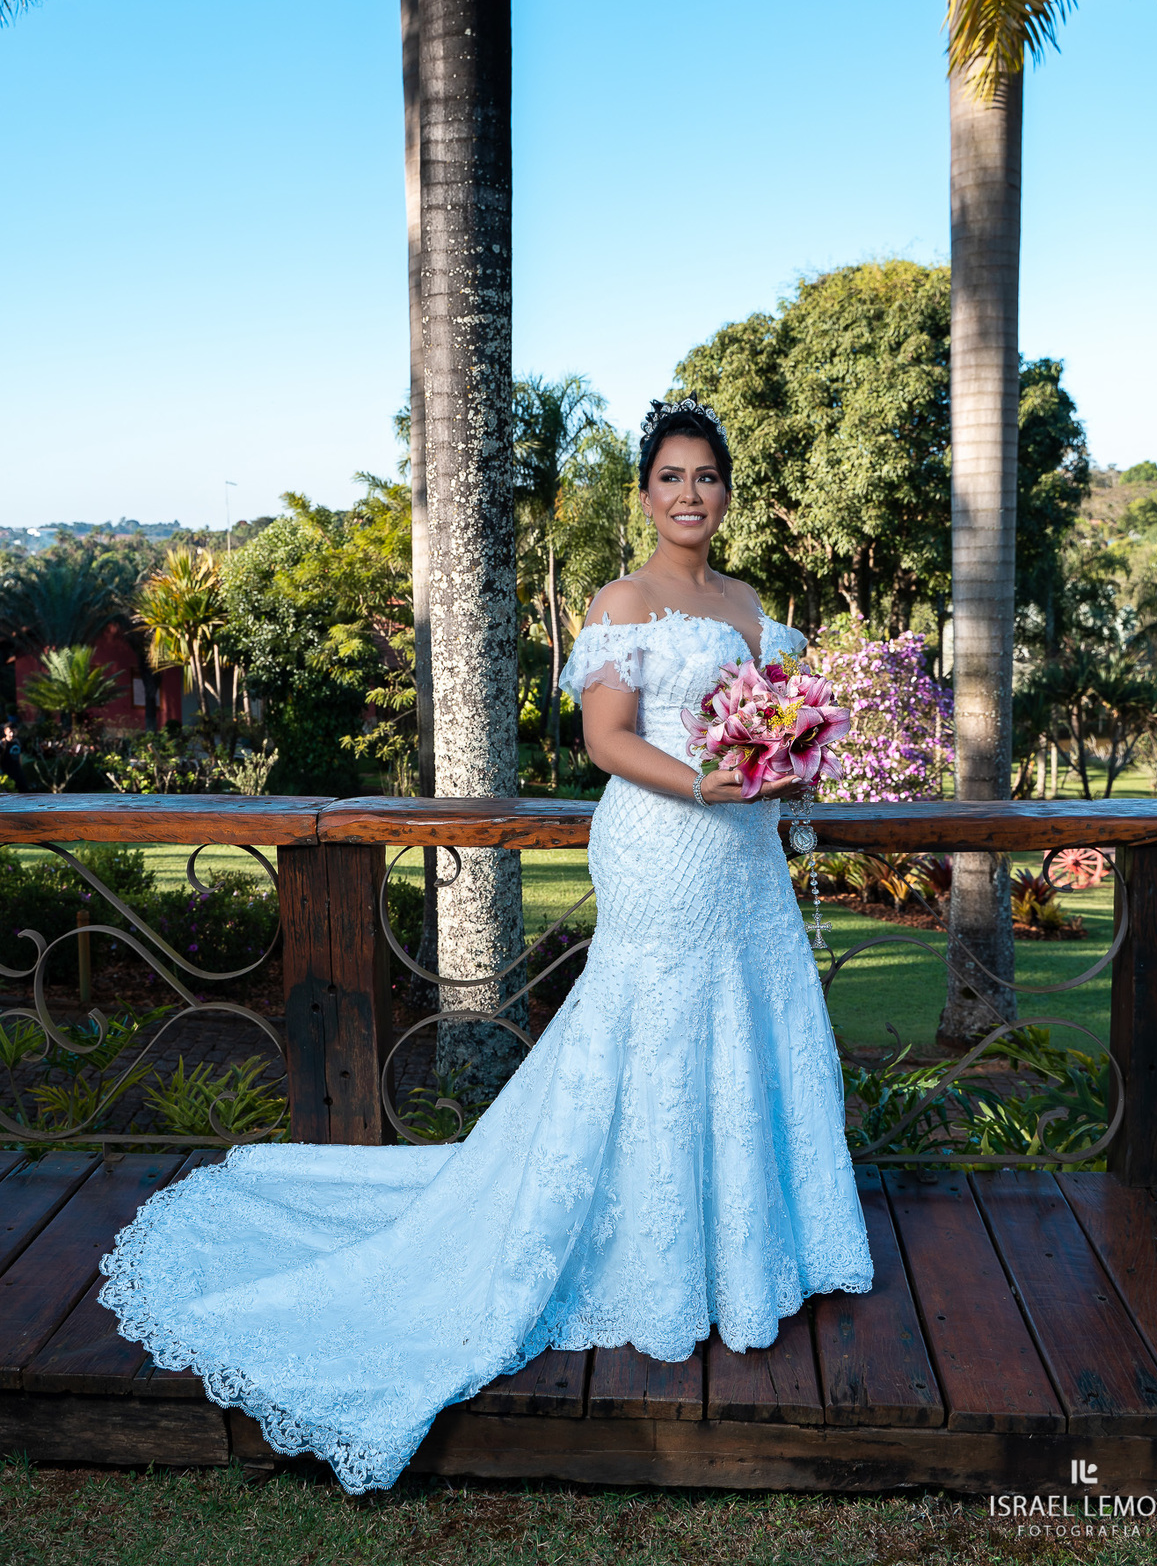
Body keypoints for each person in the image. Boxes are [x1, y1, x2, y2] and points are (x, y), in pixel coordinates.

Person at [97, 397, 872, 1493]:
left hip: (743, 863)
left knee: (750, 1025)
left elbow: (775, 731)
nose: (690, 494)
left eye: (707, 478)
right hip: (664, 847)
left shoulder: (749, 602)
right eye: (671, 478)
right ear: (645, 494)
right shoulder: (625, 599)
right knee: (646, 1036)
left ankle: (743, 1253)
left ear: (727, 492)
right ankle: (654, 1257)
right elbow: (607, 741)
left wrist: (788, 762)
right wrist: (715, 779)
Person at [1, 720, 27, 793]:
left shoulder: (17, 743)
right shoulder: (3, 744)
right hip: (7, 774)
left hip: (18, 773)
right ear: (5, 731)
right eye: (10, 731)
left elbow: (20, 758)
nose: (12, 734)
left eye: (14, 731)